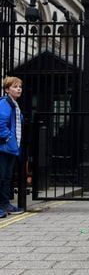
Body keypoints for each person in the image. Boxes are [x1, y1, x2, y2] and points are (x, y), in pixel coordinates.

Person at [0, 76, 24, 219]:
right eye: (15, 87)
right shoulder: (4, 103)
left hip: (10, 148)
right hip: (3, 147)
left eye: (20, 86)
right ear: (7, 89)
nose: (19, 89)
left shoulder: (14, 104)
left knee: (7, 178)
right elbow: (1, 124)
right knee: (1, 177)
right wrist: (9, 139)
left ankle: (5, 204)